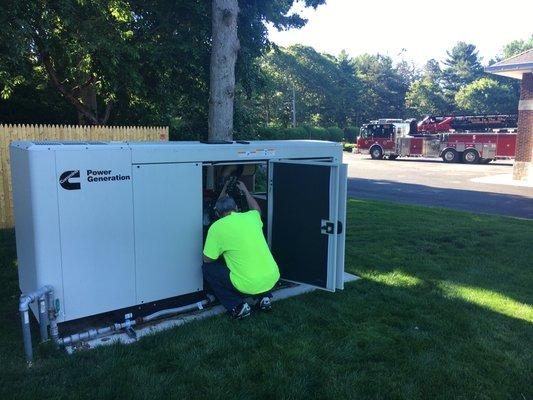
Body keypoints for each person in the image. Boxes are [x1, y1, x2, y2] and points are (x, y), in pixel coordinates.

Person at [202, 180, 280, 319]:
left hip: (247, 284)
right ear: (237, 208)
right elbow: (257, 209)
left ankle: (237, 306)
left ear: (217, 213)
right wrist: (245, 190)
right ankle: (264, 298)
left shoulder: (217, 227)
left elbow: (208, 259)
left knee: (209, 269)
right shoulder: (252, 217)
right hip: (271, 278)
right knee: (250, 260)